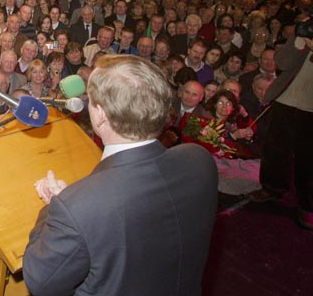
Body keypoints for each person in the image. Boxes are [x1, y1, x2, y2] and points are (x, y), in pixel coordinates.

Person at [23, 55, 218, 295]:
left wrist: (54, 206)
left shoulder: (77, 207)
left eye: (90, 99)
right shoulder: (199, 161)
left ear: (101, 114)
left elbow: (39, 280)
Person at [249, 31, 313, 230]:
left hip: (310, 107)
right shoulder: (302, 34)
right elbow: (282, 63)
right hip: (284, 100)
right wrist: (298, 41)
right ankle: (272, 188)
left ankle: (307, 205)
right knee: (275, 149)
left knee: (307, 159)